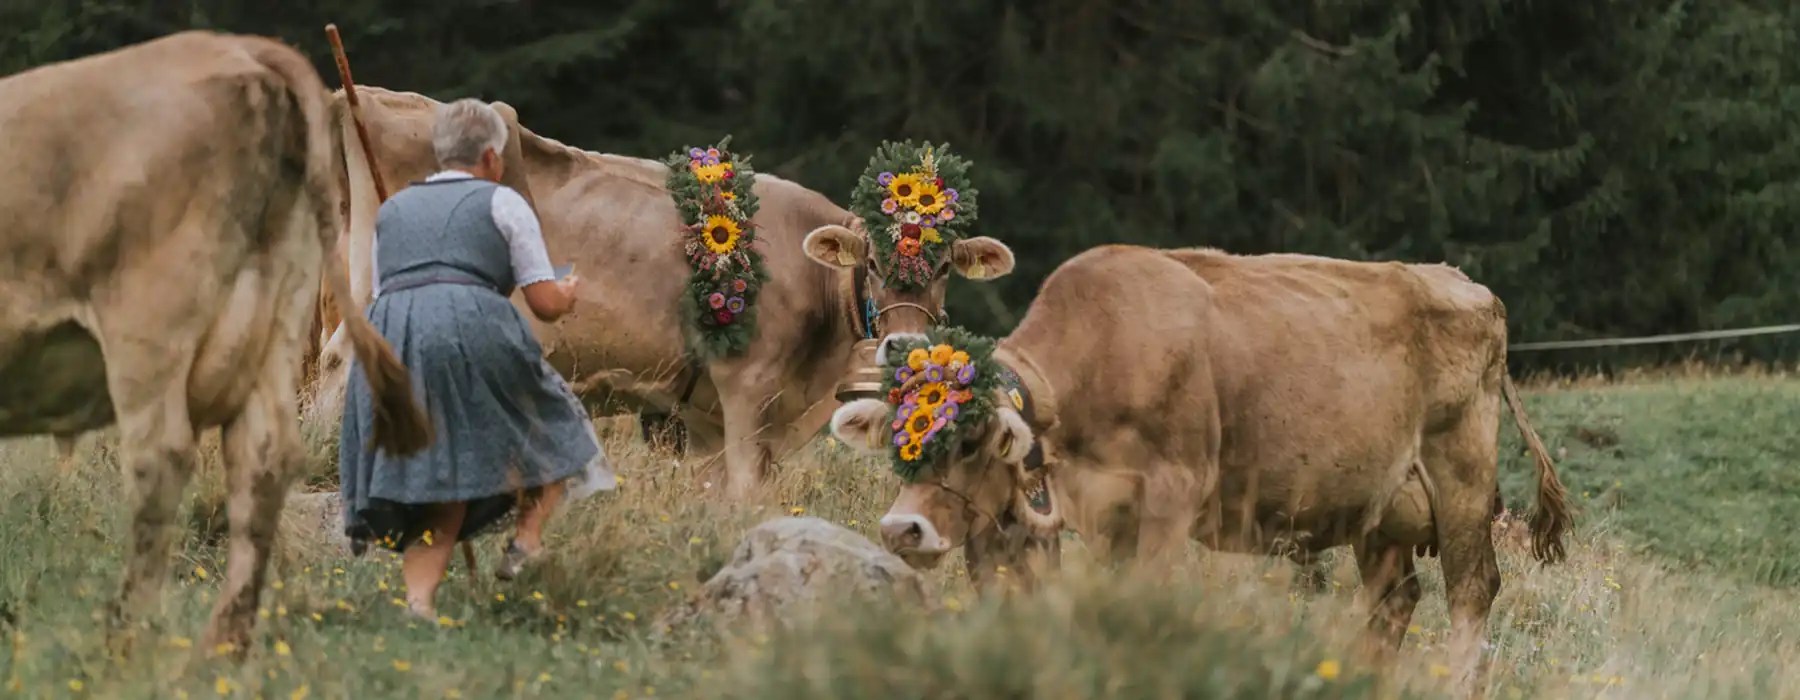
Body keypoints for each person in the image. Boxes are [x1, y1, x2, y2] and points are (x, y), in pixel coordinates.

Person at [338, 98, 614, 619]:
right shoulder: (503, 202)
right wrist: (567, 293)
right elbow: (543, 303)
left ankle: (418, 604)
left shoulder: (394, 210)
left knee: (440, 481)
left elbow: (384, 288)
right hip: (470, 322)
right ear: (491, 156)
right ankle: (526, 540)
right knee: (555, 424)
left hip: (391, 337)